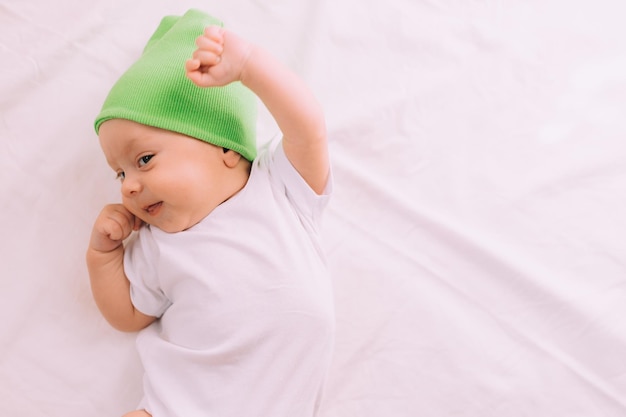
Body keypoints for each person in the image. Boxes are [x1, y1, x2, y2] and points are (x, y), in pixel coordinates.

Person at [86, 9, 334, 417]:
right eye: (119, 173)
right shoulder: (158, 244)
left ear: (224, 148)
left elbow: (308, 127)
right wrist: (103, 257)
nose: (128, 185)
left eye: (144, 159)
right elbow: (127, 315)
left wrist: (250, 67)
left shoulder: (281, 189)